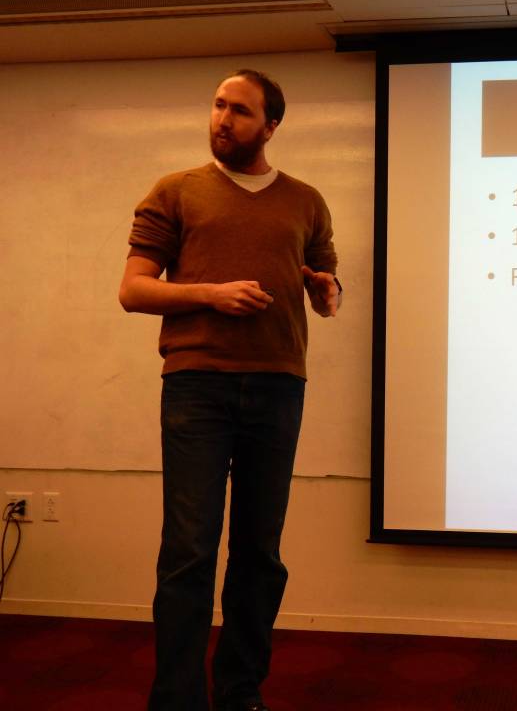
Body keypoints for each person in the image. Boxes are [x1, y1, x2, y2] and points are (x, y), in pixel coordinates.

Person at [119, 69, 341, 711]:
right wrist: (210, 295)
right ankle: (177, 699)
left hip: (278, 386)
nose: (222, 119)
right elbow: (133, 290)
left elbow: (326, 285)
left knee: (259, 554)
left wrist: (327, 291)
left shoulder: (306, 201)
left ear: (271, 126)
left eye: (239, 111)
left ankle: (241, 692)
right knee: (189, 551)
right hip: (197, 386)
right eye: (218, 105)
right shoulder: (176, 191)